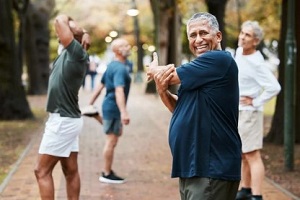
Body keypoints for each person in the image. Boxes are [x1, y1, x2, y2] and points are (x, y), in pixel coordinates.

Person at [147, 12, 242, 200]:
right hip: (193, 167)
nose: (198, 39)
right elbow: (179, 107)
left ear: (218, 36)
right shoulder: (200, 69)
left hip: (212, 167)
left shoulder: (219, 60)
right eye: (193, 35)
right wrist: (162, 90)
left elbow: (168, 76)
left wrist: (154, 70)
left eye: (203, 33)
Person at [34, 14, 90, 200]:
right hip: (68, 119)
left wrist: (69, 20)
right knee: (70, 170)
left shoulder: (76, 53)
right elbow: (62, 26)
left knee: (41, 171)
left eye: (69, 27)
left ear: (73, 36)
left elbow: (58, 19)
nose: (62, 28)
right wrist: (83, 31)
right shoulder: (68, 51)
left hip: (62, 121)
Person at [234, 21, 281, 200]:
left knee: (252, 154)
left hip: (250, 113)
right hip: (239, 111)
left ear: (255, 41)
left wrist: (256, 102)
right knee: (244, 153)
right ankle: (245, 189)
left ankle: (257, 195)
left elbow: (274, 87)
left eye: (247, 35)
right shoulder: (239, 52)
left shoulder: (257, 62)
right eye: (242, 33)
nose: (242, 37)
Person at [86, 38, 131, 184]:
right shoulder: (119, 68)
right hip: (113, 107)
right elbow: (119, 91)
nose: (128, 47)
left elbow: (100, 86)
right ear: (117, 50)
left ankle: (95, 115)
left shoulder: (112, 66)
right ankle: (106, 173)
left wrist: (90, 103)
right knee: (111, 140)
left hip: (110, 106)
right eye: (124, 45)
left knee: (116, 133)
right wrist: (124, 112)